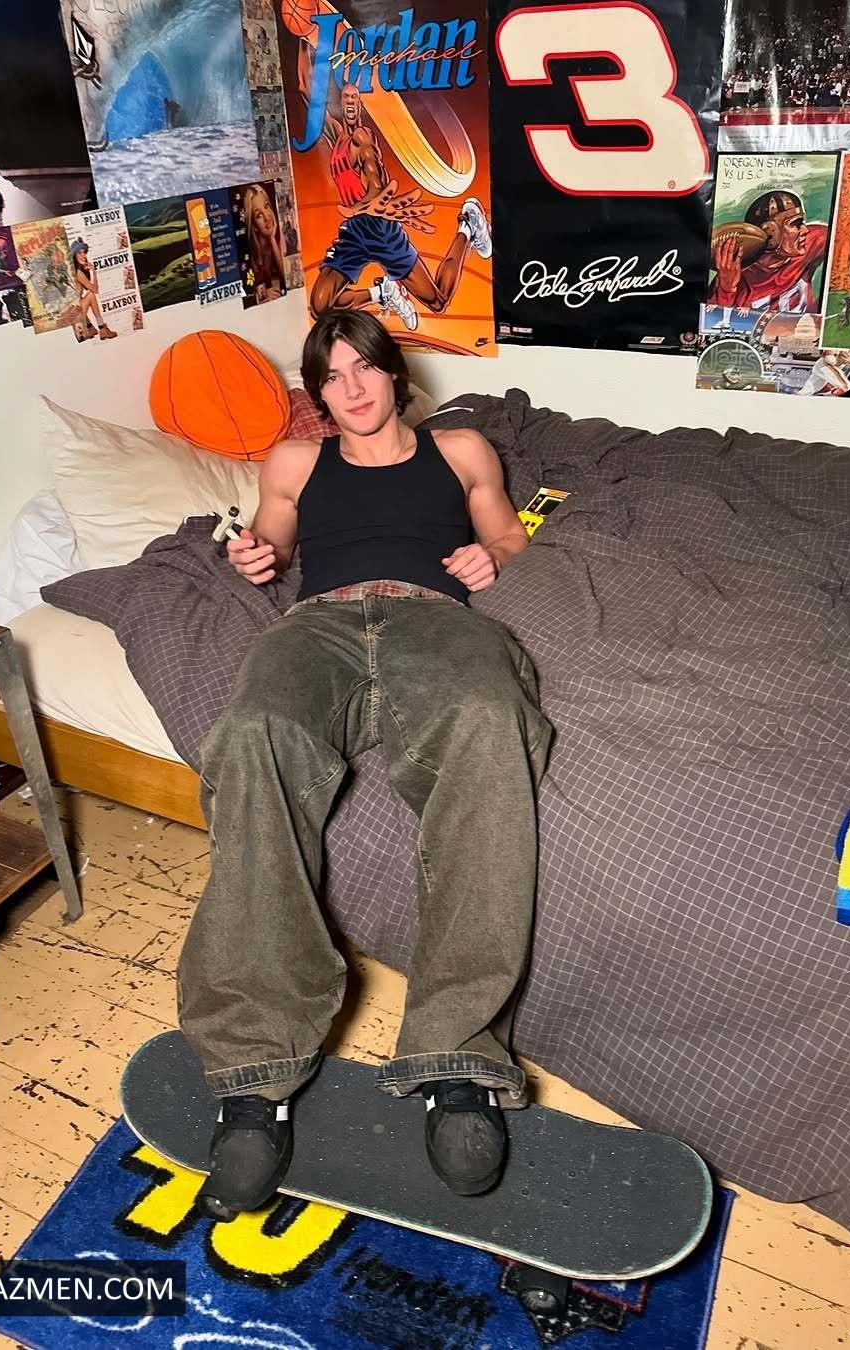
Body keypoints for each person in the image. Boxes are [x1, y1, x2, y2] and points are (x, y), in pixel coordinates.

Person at [177, 310, 552, 1219]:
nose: (351, 388)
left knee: (492, 722)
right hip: (321, 626)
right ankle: (255, 1075)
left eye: (365, 368)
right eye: (332, 376)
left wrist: (491, 556)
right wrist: (257, 556)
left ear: (395, 375)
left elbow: (510, 537)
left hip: (437, 618)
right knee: (253, 734)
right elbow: (271, 545)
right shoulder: (293, 463)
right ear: (318, 394)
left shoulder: (461, 450)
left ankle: (458, 1060)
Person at [299, 39, 490, 331]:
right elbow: (306, 90)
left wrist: (357, 208)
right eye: (345, 97)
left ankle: (467, 227)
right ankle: (382, 293)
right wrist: (305, 35)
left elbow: (375, 187)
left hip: (380, 229)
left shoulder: (362, 138)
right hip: (355, 232)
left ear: (360, 106)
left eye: (354, 98)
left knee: (438, 301)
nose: (349, 102)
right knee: (320, 307)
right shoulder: (336, 135)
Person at [243, 182, 286, 303]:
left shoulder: (280, 239)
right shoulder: (249, 256)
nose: (267, 217)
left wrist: (272, 240)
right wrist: (261, 297)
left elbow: (289, 279)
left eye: (266, 206)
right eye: (259, 215)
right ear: (254, 225)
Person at [70, 238, 117, 340]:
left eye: (84, 252)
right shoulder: (78, 273)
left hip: (75, 311)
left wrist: (92, 271)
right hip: (73, 315)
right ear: (74, 256)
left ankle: (90, 327)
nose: (83, 255)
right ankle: (102, 328)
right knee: (91, 295)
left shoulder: (77, 271)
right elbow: (95, 290)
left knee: (84, 297)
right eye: (79, 253)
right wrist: (93, 272)